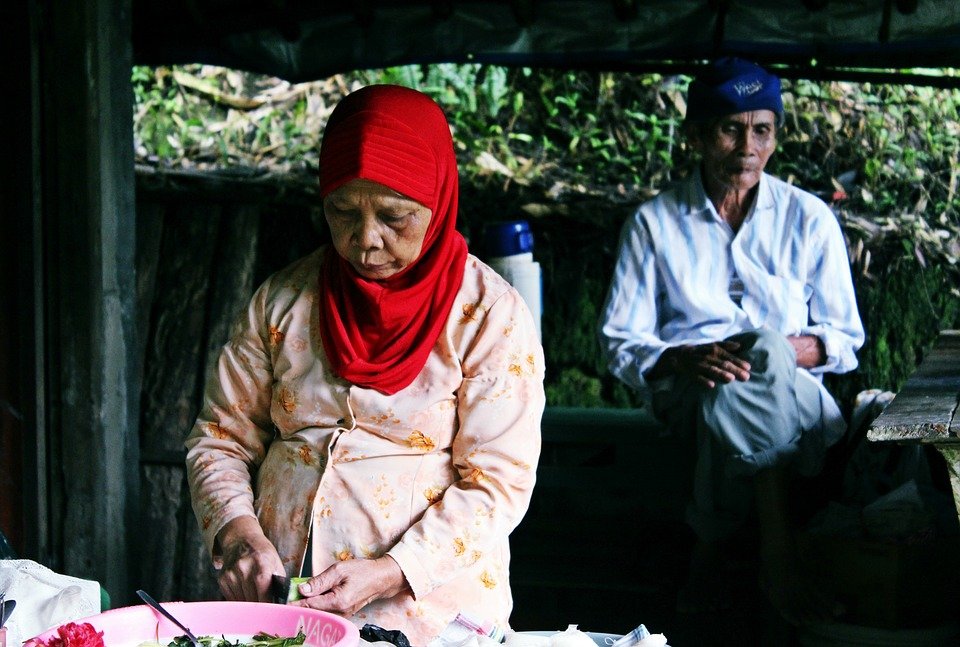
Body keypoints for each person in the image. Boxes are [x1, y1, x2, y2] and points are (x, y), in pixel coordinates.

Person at [185, 84, 545, 644]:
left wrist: (394, 571)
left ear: (439, 198)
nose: (366, 240)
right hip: (283, 609)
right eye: (342, 211)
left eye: (396, 216)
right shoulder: (282, 301)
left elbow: (499, 483)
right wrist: (236, 530)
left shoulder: (487, 316)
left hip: (428, 617)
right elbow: (220, 438)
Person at [598, 58, 864, 625]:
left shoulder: (809, 218)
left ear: (775, 138)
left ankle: (713, 551)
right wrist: (683, 356)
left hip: (788, 387)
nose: (747, 145)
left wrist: (765, 354)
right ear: (695, 134)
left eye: (761, 129)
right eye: (729, 128)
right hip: (688, 389)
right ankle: (781, 554)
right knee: (725, 385)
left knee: (756, 357)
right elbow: (621, 343)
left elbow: (843, 339)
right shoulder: (654, 223)